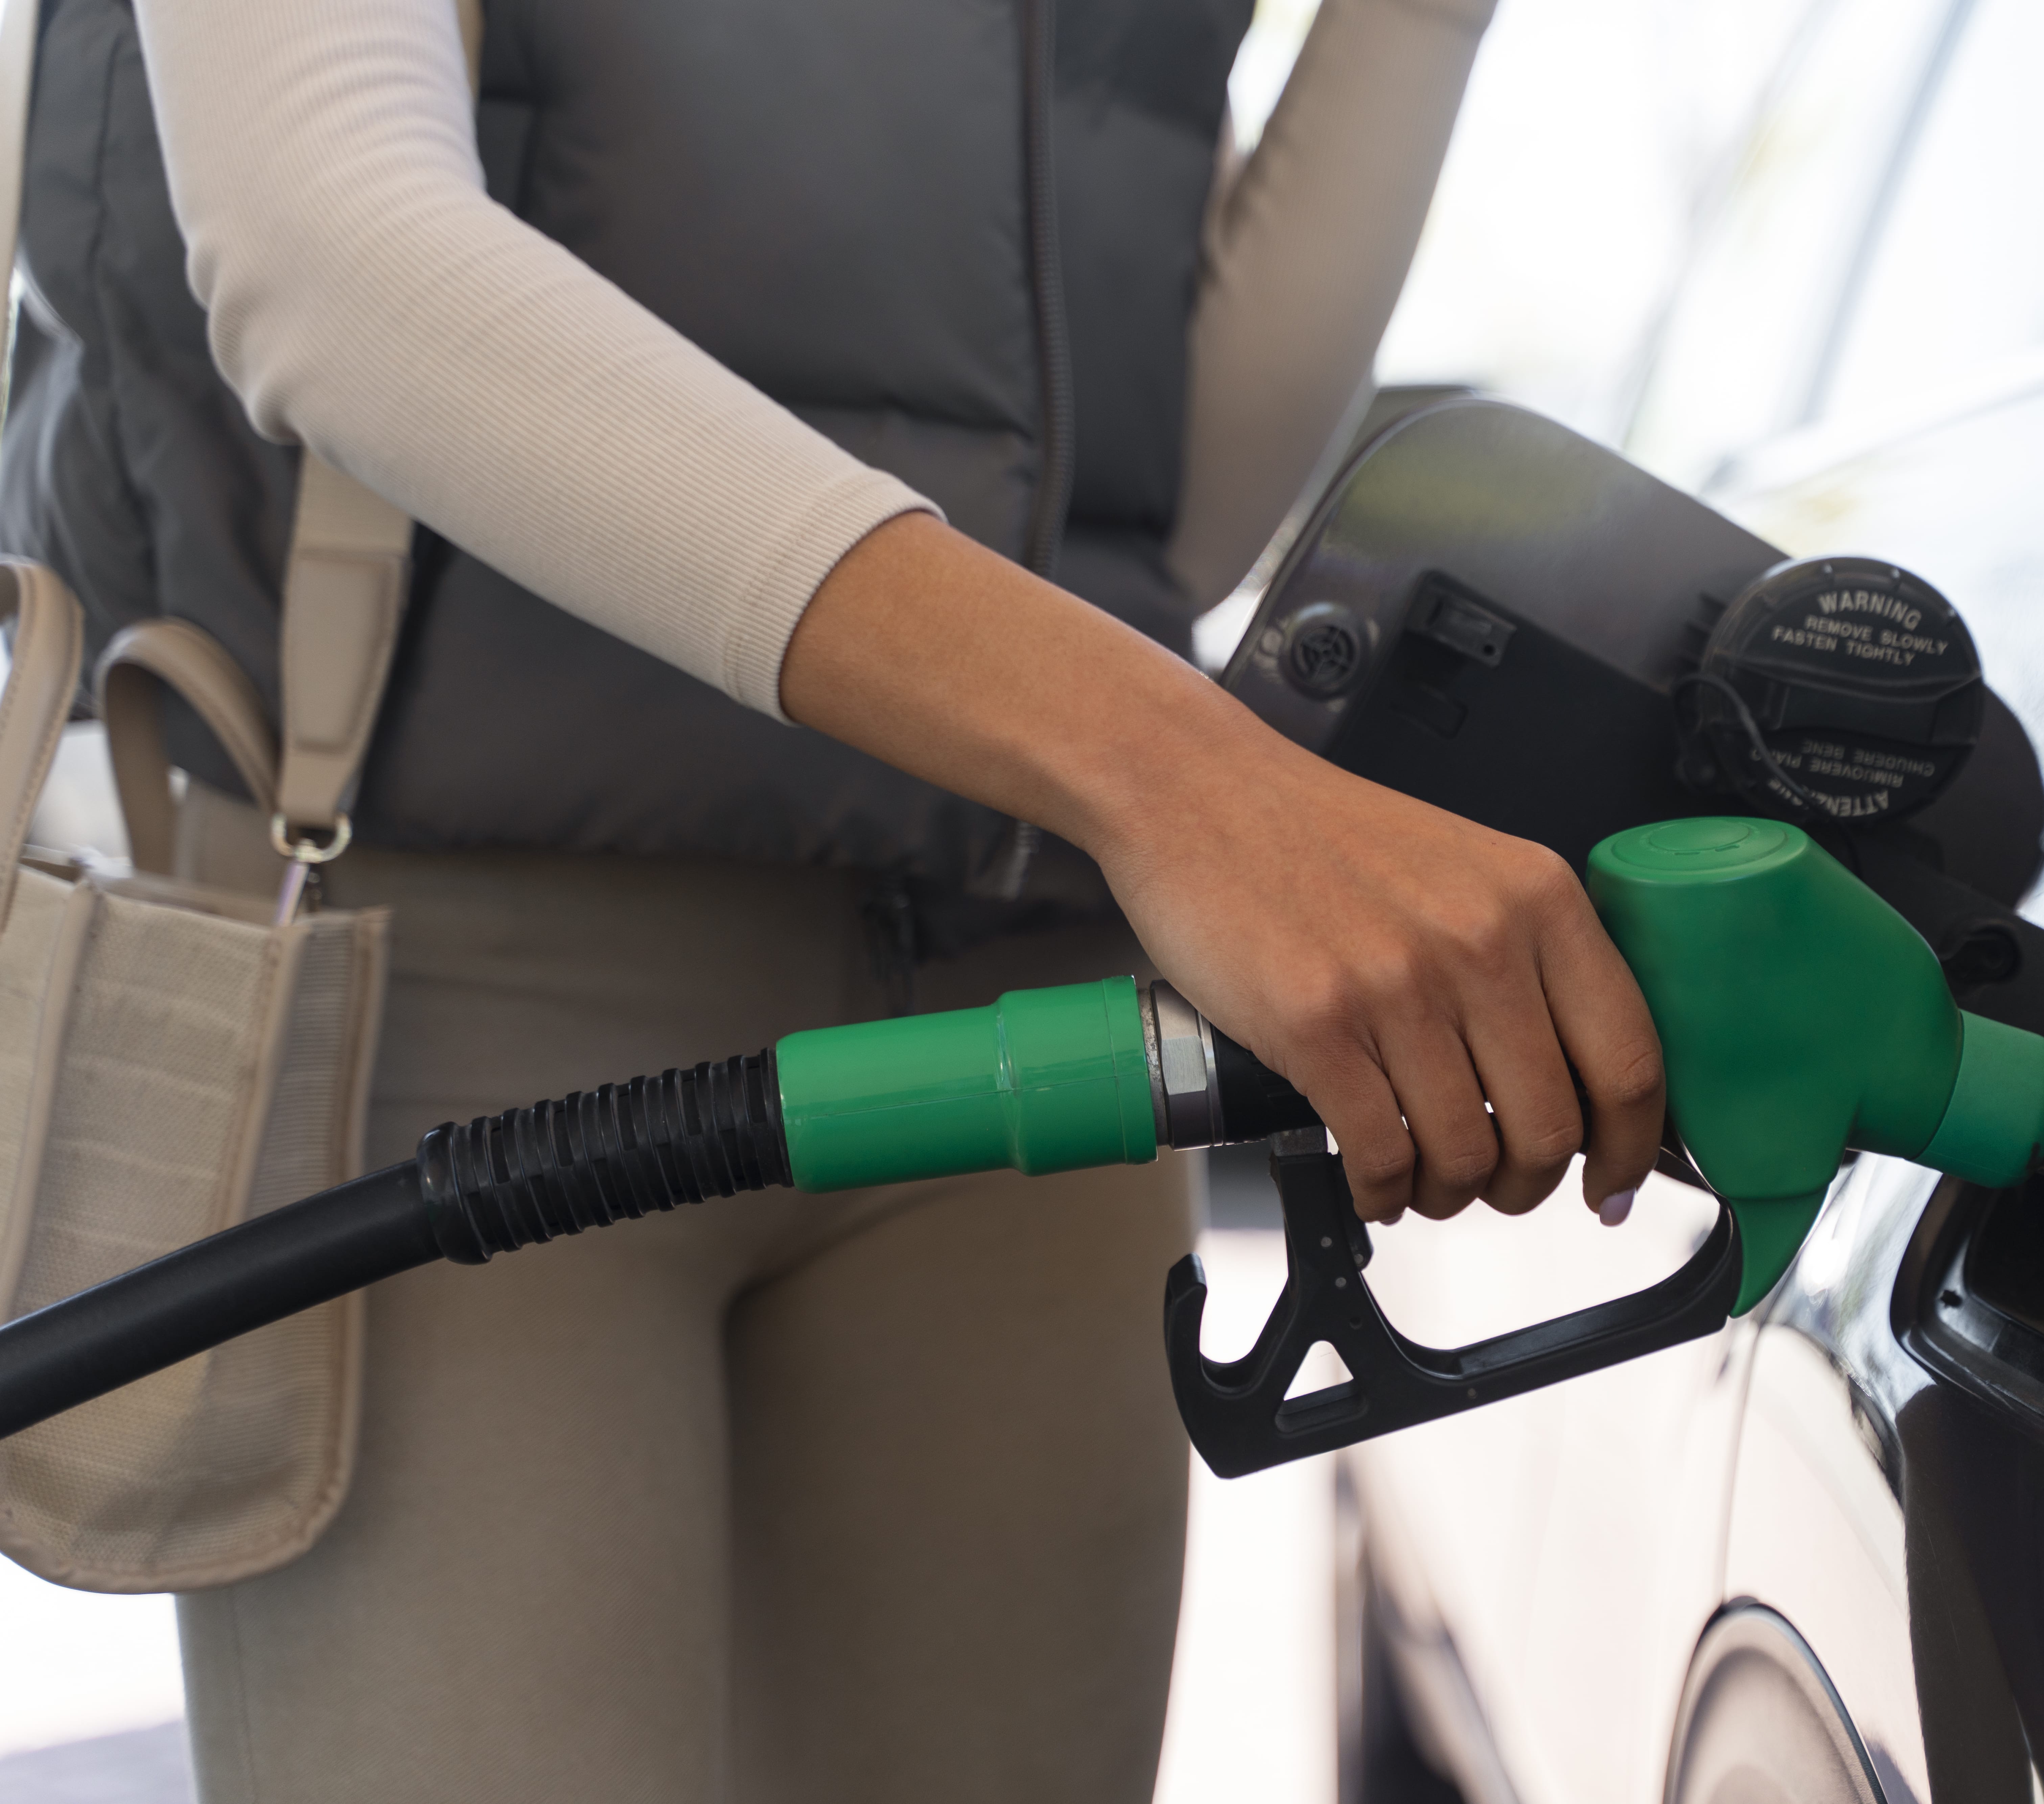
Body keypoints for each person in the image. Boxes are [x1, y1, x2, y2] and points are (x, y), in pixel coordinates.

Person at [0, 0, 1667, 1798]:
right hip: (455, 989)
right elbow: (322, 248)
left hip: (1023, 1010)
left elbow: (1142, 505)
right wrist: (1186, 775)